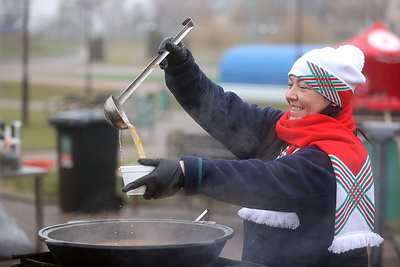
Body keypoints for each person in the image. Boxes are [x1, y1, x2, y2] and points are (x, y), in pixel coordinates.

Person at [122, 38, 384, 266]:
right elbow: (226, 113)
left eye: (304, 88)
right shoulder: (284, 128)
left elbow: (266, 179)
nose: (290, 95)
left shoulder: (334, 158)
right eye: (291, 83)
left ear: (333, 98)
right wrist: (183, 70)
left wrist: (186, 172)